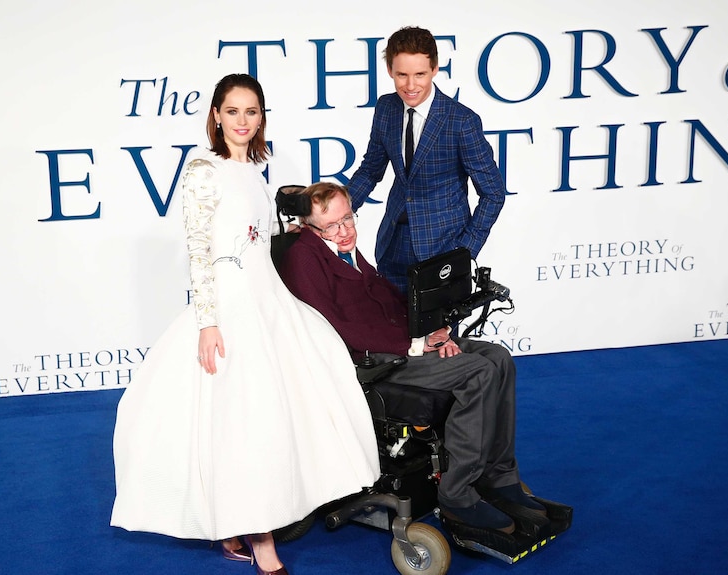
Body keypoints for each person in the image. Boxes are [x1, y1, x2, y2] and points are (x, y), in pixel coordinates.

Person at [110, 75, 380, 575]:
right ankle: (262, 540)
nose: (242, 120)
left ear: (261, 117)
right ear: (215, 115)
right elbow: (199, 249)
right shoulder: (202, 171)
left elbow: (252, 233)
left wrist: (292, 227)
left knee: (295, 401)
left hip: (269, 299)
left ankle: (247, 521)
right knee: (247, 423)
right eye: (232, 111)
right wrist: (209, 323)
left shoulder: (253, 169)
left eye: (251, 111)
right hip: (232, 308)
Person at [279, 182, 546, 534]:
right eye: (333, 225)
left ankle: (498, 476)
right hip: (373, 362)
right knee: (478, 372)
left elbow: (388, 299)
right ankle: (457, 495)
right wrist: (416, 345)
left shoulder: (344, 249)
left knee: (498, 358)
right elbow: (334, 328)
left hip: (402, 344)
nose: (345, 231)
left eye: (349, 219)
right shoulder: (304, 257)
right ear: (308, 226)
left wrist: (433, 329)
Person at [347, 25, 506, 293]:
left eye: (420, 74)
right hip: (392, 245)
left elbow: (493, 194)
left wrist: (464, 252)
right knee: (390, 331)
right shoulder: (386, 108)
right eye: (402, 75)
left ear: (435, 69)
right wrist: (335, 214)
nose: (410, 85)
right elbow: (370, 171)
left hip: (443, 251)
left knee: (439, 336)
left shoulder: (461, 121)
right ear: (390, 71)